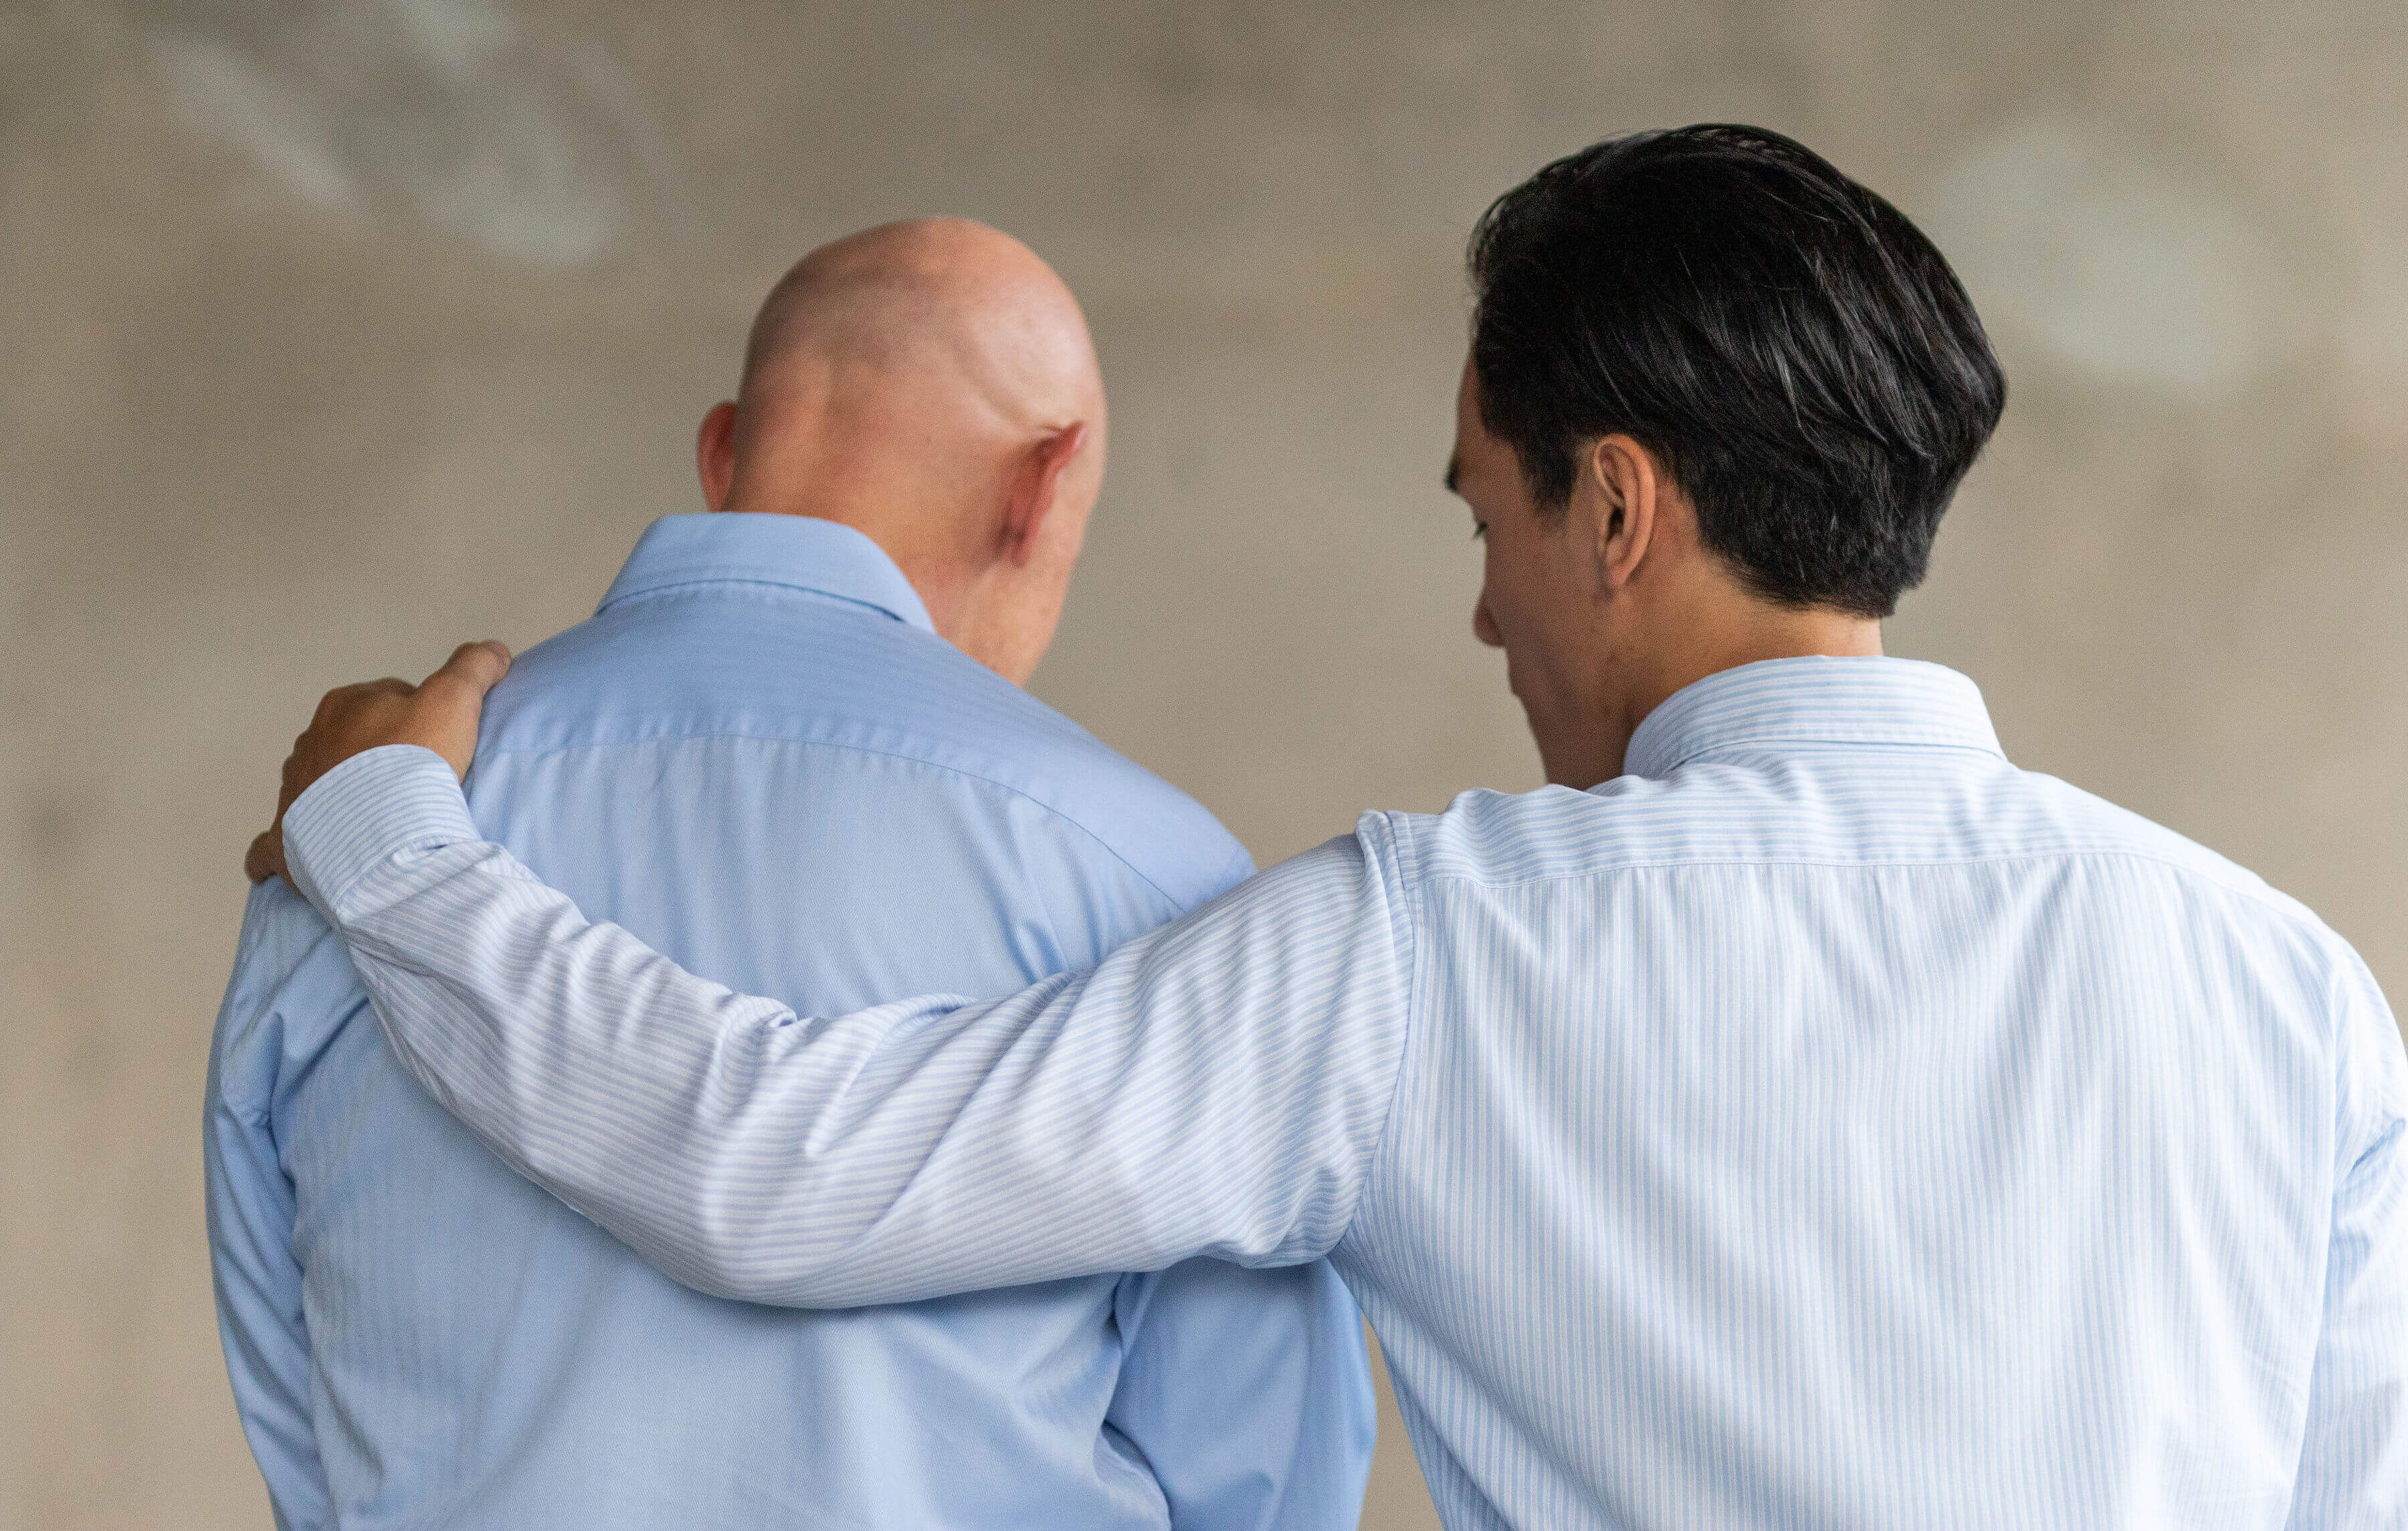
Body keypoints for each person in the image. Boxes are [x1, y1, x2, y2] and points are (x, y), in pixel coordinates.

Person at [252, 126, 2408, 1529]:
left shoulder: (1434, 948)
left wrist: (397, 846)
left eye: (1488, 514)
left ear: (1620, 508)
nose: (1483, 605)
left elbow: (774, 1167)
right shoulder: (2288, 985)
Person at [207, 218, 1375, 1531]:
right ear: (1044, 489)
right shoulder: (1154, 883)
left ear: (723, 455)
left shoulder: (345, 832)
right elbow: (1261, 1481)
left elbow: (296, 1407)